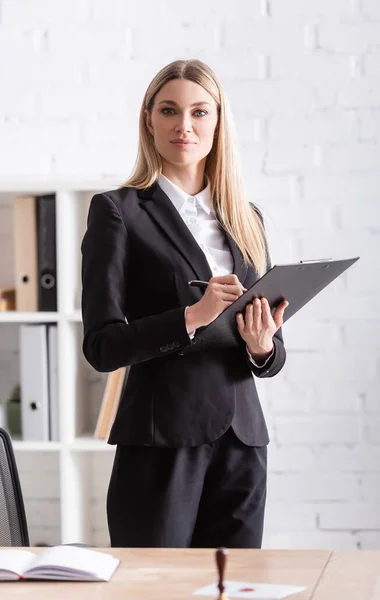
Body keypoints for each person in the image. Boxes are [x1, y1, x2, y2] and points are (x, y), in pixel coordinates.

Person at [81, 59, 288, 549]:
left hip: (242, 440)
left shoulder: (246, 217)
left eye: (200, 112)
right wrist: (192, 318)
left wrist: (262, 346)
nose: (184, 125)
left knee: (233, 587)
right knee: (157, 587)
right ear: (148, 119)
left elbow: (272, 355)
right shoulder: (119, 211)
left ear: (218, 122)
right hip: (160, 441)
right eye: (170, 110)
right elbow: (102, 346)